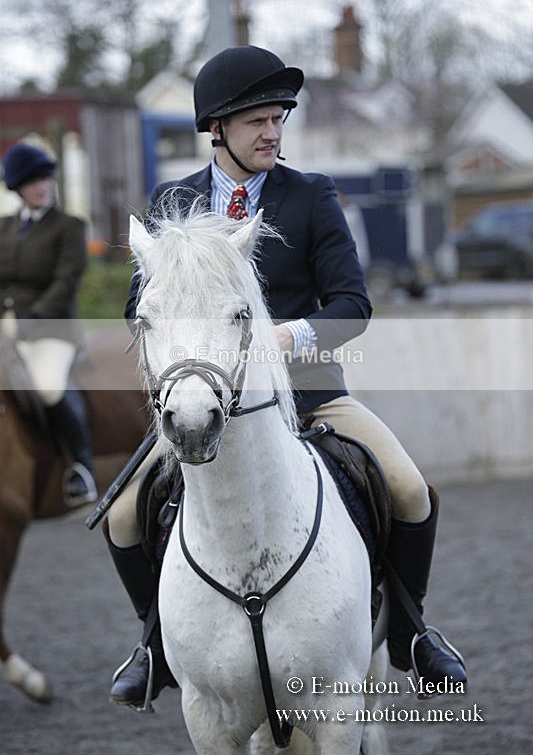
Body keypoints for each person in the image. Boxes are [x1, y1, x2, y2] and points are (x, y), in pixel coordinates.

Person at [106, 45, 467, 711]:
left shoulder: (311, 195)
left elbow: (352, 305)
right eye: (256, 121)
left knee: (410, 489)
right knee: (124, 515)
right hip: (210, 401)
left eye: (278, 119)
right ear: (216, 128)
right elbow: (139, 307)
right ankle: (154, 647)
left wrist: (287, 337)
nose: (272, 132)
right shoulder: (174, 200)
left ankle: (409, 638)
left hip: (309, 394)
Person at [0, 142, 96, 506]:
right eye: (31, 181)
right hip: (5, 328)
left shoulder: (70, 227)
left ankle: (81, 469)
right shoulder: (4, 227)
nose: (41, 187)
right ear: (18, 187)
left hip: (50, 328)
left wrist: (31, 319)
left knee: (48, 386)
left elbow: (65, 281)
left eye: (44, 179)